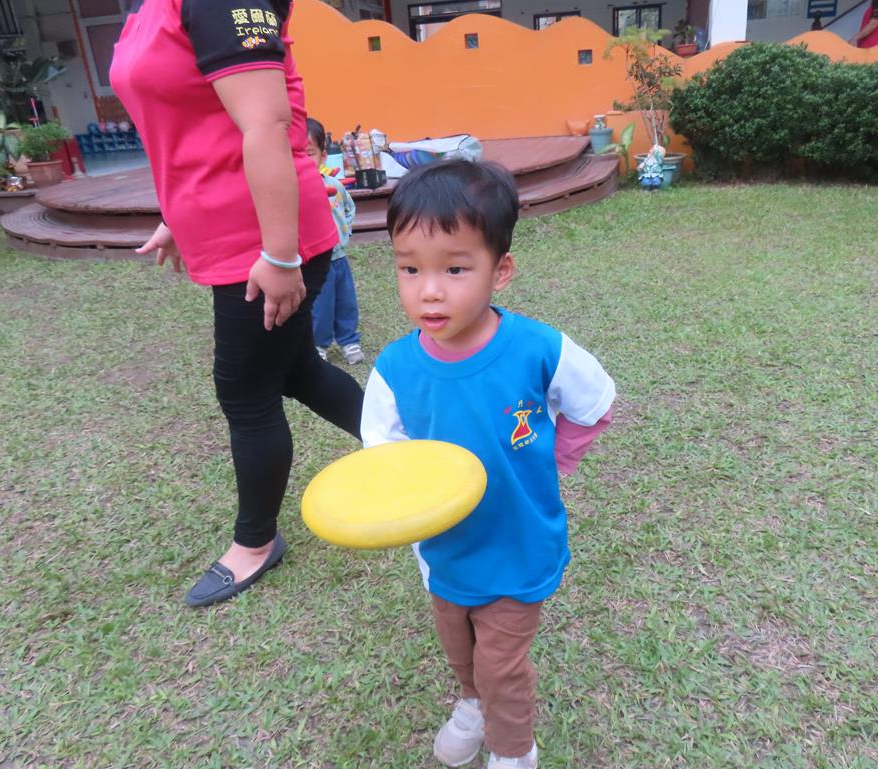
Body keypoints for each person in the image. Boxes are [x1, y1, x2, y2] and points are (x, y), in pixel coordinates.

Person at [360, 160, 615, 769]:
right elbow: (383, 454)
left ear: (500, 271)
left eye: (455, 268)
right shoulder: (394, 369)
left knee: (501, 665)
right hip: (443, 551)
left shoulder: (537, 348)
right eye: (410, 268)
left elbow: (595, 403)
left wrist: (554, 462)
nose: (429, 290)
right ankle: (471, 703)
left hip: (517, 542)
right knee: (459, 645)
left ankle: (513, 751)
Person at [110, 0, 364, 607]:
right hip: (234, 228)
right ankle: (412, 443)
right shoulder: (153, 8)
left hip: (263, 239)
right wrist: (178, 214)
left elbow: (266, 126)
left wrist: (280, 255)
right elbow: (191, 119)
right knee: (298, 371)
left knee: (246, 393)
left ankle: (255, 543)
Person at [304, 117, 364, 364]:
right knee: (321, 305)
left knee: (346, 301)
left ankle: (349, 341)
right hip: (316, 260)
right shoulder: (295, 191)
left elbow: (349, 208)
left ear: (323, 155)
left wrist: (345, 229)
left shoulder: (335, 186)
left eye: (309, 153)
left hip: (339, 257)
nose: (303, 160)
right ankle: (319, 344)